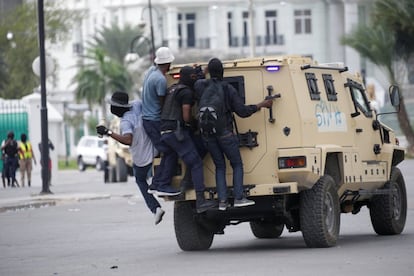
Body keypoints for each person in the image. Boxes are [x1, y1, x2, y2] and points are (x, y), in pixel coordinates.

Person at [195, 58, 274, 211]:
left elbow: (197, 79)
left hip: (208, 135)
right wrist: (262, 105)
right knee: (236, 164)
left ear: (209, 72)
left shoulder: (200, 86)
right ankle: (238, 198)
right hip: (225, 134)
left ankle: (222, 202)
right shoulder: (227, 88)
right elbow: (242, 112)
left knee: (219, 166)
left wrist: (203, 71)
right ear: (223, 72)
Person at [96, 91, 165, 225]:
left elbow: (128, 140)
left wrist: (108, 132)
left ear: (118, 108)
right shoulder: (137, 104)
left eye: (113, 106)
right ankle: (158, 183)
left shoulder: (125, 122)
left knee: (140, 179)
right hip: (154, 147)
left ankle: (155, 208)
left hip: (141, 155)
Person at [158, 66, 216, 213]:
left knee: (199, 148)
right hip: (176, 132)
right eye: (195, 77)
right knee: (196, 162)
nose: (196, 79)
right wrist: (194, 123)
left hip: (165, 131)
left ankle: (185, 184)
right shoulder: (187, 93)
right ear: (191, 78)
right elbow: (185, 116)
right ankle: (201, 201)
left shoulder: (173, 88)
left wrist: (205, 70)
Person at [141, 46, 179, 195]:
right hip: (155, 121)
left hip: (148, 119)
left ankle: (156, 184)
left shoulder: (151, 72)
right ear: (168, 64)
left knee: (166, 151)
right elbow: (164, 105)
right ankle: (162, 184)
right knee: (170, 151)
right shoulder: (160, 80)